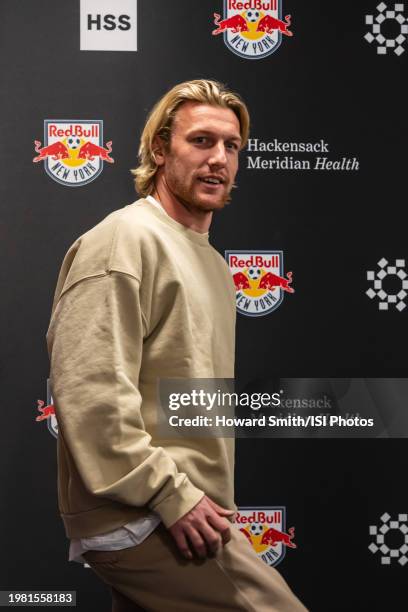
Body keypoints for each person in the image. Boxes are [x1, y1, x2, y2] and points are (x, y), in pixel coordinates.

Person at [46, 79, 308, 612]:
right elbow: (91, 394)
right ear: (160, 150)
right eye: (201, 141)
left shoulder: (212, 261)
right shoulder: (124, 241)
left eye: (231, 146)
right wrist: (172, 496)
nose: (218, 159)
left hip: (188, 509)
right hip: (147, 514)